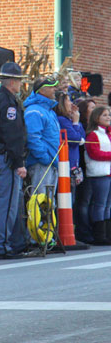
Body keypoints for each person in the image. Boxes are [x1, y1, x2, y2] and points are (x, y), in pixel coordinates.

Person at [0, 62, 27, 259]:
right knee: (7, 203)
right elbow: (13, 135)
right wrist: (19, 163)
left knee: (4, 202)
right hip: (7, 156)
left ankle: (4, 244)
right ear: (12, 81)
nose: (20, 85)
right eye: (19, 81)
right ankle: (3, 246)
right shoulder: (8, 103)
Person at [23, 75, 61, 196]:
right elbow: (32, 138)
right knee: (39, 200)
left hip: (51, 162)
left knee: (49, 202)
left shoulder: (49, 111)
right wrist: (45, 158)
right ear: (41, 90)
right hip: (41, 163)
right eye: (51, 87)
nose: (55, 89)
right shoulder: (34, 111)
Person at [83, 107, 111, 245]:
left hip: (108, 171)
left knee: (108, 205)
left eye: (109, 115)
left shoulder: (107, 134)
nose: (108, 117)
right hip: (99, 173)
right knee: (99, 204)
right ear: (96, 118)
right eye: (104, 115)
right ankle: (99, 234)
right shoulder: (93, 135)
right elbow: (95, 153)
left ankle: (107, 233)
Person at [75, 98, 97, 243]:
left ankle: (93, 229)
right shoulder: (82, 126)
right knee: (83, 200)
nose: (94, 111)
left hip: (93, 168)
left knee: (92, 201)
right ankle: (83, 231)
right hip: (83, 166)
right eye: (91, 108)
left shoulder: (95, 128)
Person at [55, 91, 86, 189]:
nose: (71, 103)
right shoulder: (62, 120)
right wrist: (75, 123)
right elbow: (75, 139)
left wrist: (76, 121)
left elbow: (82, 137)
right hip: (66, 164)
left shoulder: (69, 120)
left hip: (73, 164)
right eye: (68, 100)